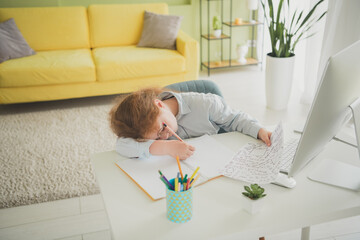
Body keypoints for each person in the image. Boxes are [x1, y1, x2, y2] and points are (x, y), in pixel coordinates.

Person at [109, 87, 272, 160]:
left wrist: (259, 130)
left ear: (159, 104)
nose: (165, 136)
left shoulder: (207, 104)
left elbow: (235, 119)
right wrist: (165, 147)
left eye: (163, 128)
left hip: (214, 164)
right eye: (157, 138)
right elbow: (122, 145)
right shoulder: (145, 129)